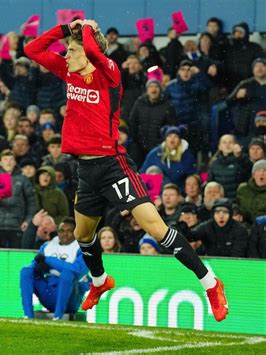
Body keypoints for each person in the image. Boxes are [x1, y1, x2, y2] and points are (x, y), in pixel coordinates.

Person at [25, 18, 228, 321]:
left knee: (157, 229)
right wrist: (68, 29)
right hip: (86, 170)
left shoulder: (109, 75)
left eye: (71, 50)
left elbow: (95, 53)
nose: (66, 54)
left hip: (113, 166)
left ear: (90, 50)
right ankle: (99, 281)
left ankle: (210, 283)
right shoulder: (69, 72)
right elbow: (32, 48)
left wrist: (90, 32)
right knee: (83, 235)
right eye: (66, 50)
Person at [20, 217, 89, 320]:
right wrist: (39, 266)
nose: (65, 234)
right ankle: (28, 315)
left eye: (69, 231)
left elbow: (76, 270)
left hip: (71, 297)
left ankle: (58, 316)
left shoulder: (83, 248)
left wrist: (50, 261)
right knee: (26, 271)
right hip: (49, 292)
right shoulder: (47, 246)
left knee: (67, 274)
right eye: (61, 230)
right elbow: (36, 263)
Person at [0, 150, 36, 248]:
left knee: (15, 256)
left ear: (15, 162)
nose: (8, 162)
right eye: (5, 159)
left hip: (17, 226)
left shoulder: (23, 179)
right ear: (0, 162)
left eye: (11, 159)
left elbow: (32, 202)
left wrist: (28, 221)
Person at [129, 79, 176, 158]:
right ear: (147, 90)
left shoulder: (167, 105)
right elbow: (132, 121)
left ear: (160, 90)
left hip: (158, 147)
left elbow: (170, 125)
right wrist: (136, 139)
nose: (153, 89)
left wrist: (161, 141)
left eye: (156, 87)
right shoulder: (140, 102)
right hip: (140, 146)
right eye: (151, 87)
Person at [208, 134, 252, 199]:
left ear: (236, 145)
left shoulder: (242, 159)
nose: (227, 145)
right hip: (219, 201)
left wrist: (240, 157)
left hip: (238, 199)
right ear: (219, 146)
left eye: (230, 142)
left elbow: (249, 172)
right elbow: (210, 182)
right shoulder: (214, 164)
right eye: (224, 142)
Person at [236, 160, 266, 224]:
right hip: (244, 225)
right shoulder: (243, 189)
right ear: (253, 175)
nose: (262, 173)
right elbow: (236, 206)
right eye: (258, 170)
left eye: (265, 171)